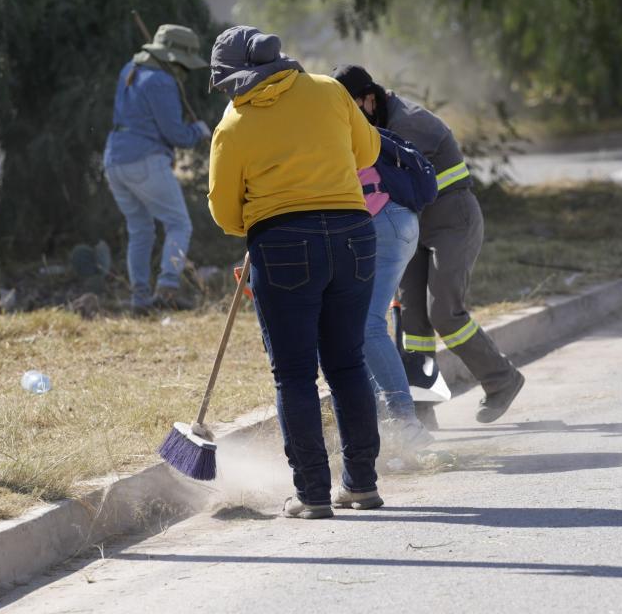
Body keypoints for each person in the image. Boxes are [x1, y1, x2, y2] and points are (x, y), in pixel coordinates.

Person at [207, 26, 383, 519]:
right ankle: (362, 485)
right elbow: (367, 153)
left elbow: (224, 214)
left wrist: (263, 224)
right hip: (354, 236)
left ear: (237, 76)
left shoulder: (234, 124)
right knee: (348, 363)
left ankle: (311, 494)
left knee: (295, 375)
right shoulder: (329, 90)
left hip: (283, 246)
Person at [332, 65, 526, 424]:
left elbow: (388, 178)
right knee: (412, 319)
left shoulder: (407, 126)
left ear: (369, 99)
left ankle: (502, 379)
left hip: (453, 222)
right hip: (415, 226)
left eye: (351, 106)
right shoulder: (376, 121)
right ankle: (421, 407)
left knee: (444, 313)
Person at [103, 24, 212, 313]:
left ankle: (140, 300)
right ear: (174, 57)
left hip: (115, 159)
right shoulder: (162, 80)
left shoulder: (130, 68)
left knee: (140, 230)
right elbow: (175, 135)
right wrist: (198, 131)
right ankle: (167, 290)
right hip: (145, 159)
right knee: (179, 224)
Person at [357, 158, 432, 451]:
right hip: (394, 218)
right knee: (353, 325)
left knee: (365, 325)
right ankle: (379, 426)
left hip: (378, 220)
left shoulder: (315, 122)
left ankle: (404, 424)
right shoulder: (336, 115)